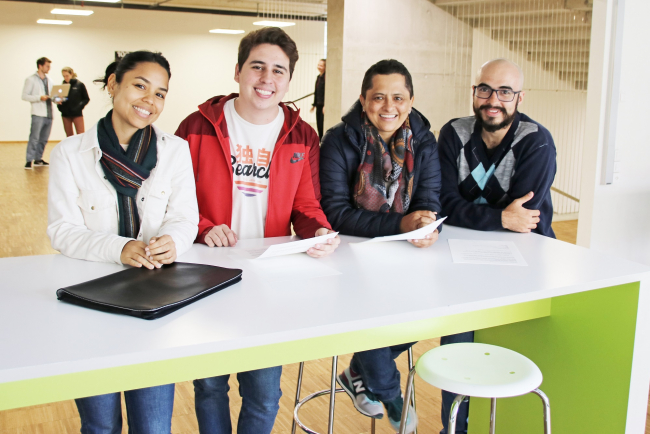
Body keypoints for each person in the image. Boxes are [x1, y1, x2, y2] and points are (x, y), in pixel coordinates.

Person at [175, 27, 339, 434]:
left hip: (268, 277)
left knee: (265, 393)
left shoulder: (302, 135)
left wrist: (317, 231)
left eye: (278, 71)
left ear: (288, 79)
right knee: (210, 385)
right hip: (207, 270)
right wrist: (203, 226)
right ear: (238, 71)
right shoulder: (196, 127)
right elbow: (172, 200)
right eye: (258, 67)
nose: (267, 79)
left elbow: (306, 206)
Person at [47, 51, 199, 434]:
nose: (150, 101)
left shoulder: (174, 150)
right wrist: (117, 248)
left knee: (152, 425)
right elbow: (62, 230)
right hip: (92, 303)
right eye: (140, 86)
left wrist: (174, 241)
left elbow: (185, 217)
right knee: (100, 426)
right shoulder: (69, 153)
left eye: (161, 94)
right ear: (113, 84)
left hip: (153, 302)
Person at [320, 59, 442, 433]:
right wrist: (401, 224)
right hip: (349, 255)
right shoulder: (340, 140)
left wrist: (425, 225)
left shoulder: (422, 139)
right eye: (378, 97)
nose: (388, 106)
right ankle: (388, 392)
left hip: (405, 252)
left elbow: (430, 196)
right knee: (370, 314)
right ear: (362, 99)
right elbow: (336, 213)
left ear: (410, 100)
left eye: (398, 97)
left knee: (430, 313)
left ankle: (357, 370)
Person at [437, 58, 557, 434]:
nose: (494, 99)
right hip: (458, 262)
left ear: (519, 97)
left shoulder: (536, 141)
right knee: (456, 350)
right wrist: (498, 217)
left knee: (510, 362)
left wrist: (477, 214)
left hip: (524, 268)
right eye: (485, 89)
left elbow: (524, 218)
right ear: (474, 92)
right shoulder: (454, 134)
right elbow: (442, 204)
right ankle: (452, 429)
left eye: (504, 91)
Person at [22, 57, 53, 169]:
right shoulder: (30, 79)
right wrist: (39, 97)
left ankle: (38, 159)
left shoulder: (49, 80)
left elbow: (52, 94)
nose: (49, 68)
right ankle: (29, 160)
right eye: (47, 66)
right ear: (40, 66)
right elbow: (25, 96)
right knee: (34, 138)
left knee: (44, 138)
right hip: (38, 113)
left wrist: (57, 99)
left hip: (49, 113)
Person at [58, 66, 90, 136]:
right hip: (65, 115)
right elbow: (58, 100)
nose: (66, 78)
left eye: (67, 76)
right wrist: (59, 104)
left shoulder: (79, 85)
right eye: (64, 76)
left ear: (71, 74)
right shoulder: (62, 86)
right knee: (69, 136)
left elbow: (86, 98)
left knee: (80, 135)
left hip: (77, 114)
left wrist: (79, 107)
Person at [310, 58, 326, 139]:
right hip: (318, 104)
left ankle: (323, 140)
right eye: (318, 65)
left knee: (322, 123)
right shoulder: (319, 77)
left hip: (323, 105)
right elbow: (316, 91)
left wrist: (326, 105)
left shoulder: (326, 77)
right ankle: (320, 140)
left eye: (321, 65)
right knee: (318, 124)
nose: (319, 67)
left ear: (325, 67)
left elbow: (327, 92)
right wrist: (314, 104)